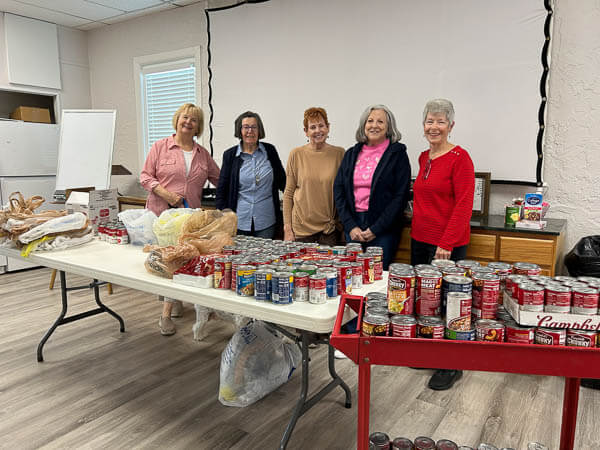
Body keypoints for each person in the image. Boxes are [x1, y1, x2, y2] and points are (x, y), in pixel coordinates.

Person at [411, 98, 475, 391]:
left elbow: (463, 206)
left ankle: (451, 366)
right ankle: (428, 352)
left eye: (440, 121)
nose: (434, 127)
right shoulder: (425, 156)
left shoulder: (461, 158)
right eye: (429, 121)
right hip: (420, 240)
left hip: (446, 245)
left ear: (450, 126)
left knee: (451, 305)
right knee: (425, 302)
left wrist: (446, 243)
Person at [140, 102, 220, 336]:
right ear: (177, 120)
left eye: (193, 120)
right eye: (184, 117)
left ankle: (175, 303)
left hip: (187, 218)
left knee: (183, 260)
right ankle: (166, 314)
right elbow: (145, 176)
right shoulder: (160, 147)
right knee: (168, 260)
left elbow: (220, 180)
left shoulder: (202, 155)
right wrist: (165, 193)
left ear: (198, 127)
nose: (188, 122)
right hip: (161, 216)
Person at [334, 104, 411, 270]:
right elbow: (338, 190)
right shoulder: (351, 153)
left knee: (376, 277)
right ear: (363, 125)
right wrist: (350, 225)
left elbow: (400, 196)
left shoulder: (397, 154)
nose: (374, 125)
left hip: (383, 229)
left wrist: (376, 228)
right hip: (353, 226)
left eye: (380, 122)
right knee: (352, 276)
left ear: (389, 127)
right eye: (370, 121)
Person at [216, 111, 285, 239]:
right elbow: (222, 189)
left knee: (264, 256)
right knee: (239, 257)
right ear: (239, 130)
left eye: (254, 127)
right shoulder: (230, 155)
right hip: (239, 220)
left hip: (266, 219)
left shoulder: (270, 151)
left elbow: (283, 181)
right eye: (246, 127)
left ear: (259, 130)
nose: (250, 131)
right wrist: (224, 218)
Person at [283, 107, 345, 245]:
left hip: (329, 230)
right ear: (306, 131)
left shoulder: (339, 154)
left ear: (328, 128)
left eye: (321, 125)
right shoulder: (296, 154)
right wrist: (287, 229)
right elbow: (288, 194)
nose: (318, 130)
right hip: (301, 230)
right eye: (312, 127)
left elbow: (344, 193)